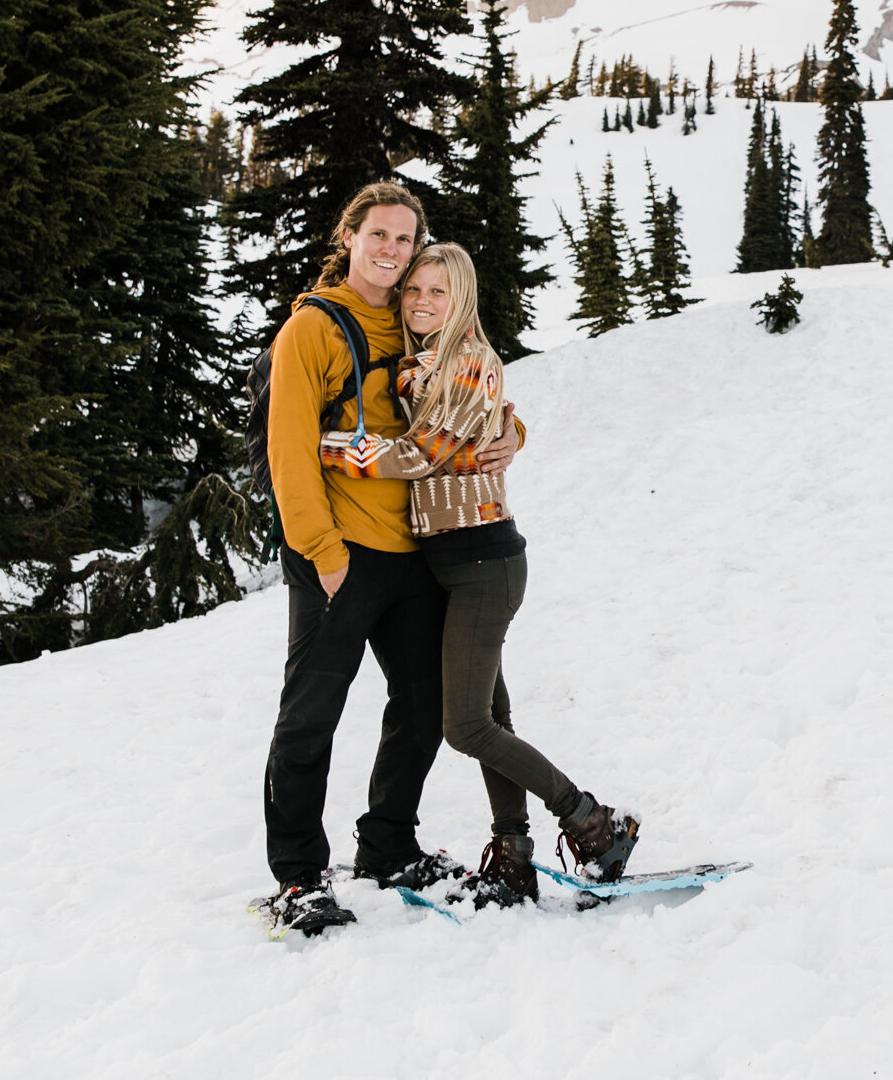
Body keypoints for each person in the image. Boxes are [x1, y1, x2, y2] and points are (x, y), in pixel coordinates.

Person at [253, 182, 520, 938]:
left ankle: (388, 845)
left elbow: (465, 388)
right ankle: (299, 874)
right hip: (339, 553)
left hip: (412, 552)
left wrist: (514, 430)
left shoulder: (414, 315)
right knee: (311, 718)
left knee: (424, 706)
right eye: (379, 235)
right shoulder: (312, 329)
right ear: (351, 235)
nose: (392, 251)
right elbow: (291, 449)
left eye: (405, 240)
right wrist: (322, 552)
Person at [381, 241, 640, 907]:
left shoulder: (466, 361)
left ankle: (591, 819)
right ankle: (514, 856)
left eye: (437, 292)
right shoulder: (420, 363)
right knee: (491, 715)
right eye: (413, 291)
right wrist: (513, 430)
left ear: (462, 297)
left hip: (483, 563)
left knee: (465, 725)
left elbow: (421, 454)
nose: (420, 302)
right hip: (452, 563)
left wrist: (329, 451)